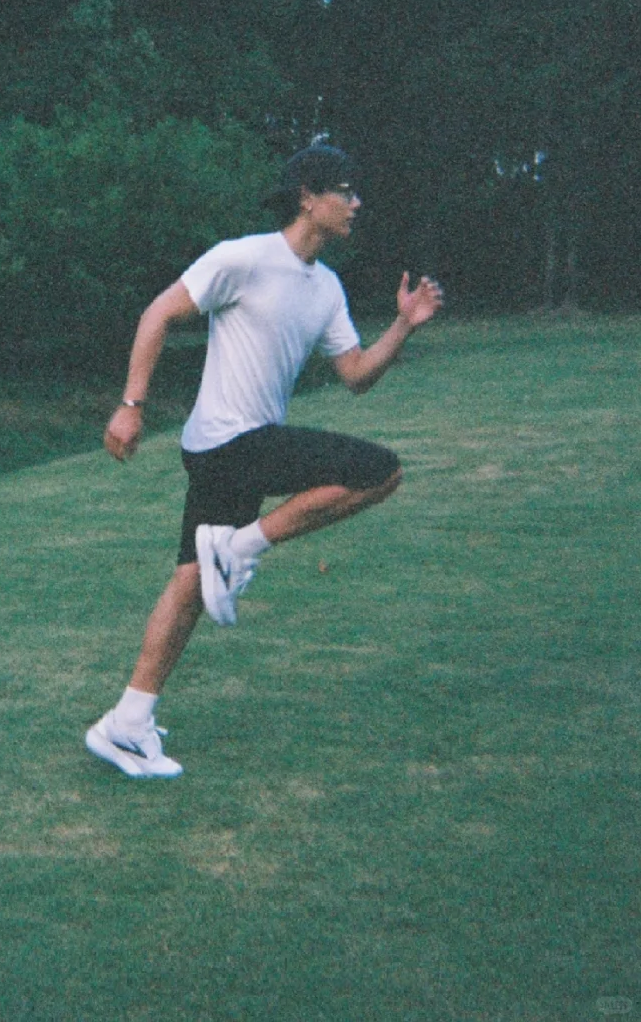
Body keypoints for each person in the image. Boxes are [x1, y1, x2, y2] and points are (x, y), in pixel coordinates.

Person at [85, 143, 444, 779]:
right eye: (345, 191)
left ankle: (127, 722)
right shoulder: (243, 258)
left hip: (236, 449)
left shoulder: (325, 287)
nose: (356, 204)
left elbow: (356, 375)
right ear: (307, 197)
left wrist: (403, 326)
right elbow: (158, 312)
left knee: (190, 583)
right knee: (380, 471)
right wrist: (131, 404)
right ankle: (240, 547)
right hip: (228, 441)